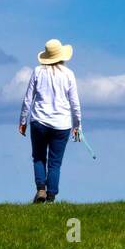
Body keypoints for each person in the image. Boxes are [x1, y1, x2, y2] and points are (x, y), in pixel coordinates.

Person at [18, 38, 82, 203]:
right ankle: (51, 197)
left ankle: (41, 189)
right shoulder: (68, 74)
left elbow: (28, 99)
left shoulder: (38, 71)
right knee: (55, 162)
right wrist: (77, 126)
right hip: (62, 125)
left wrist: (23, 121)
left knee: (39, 157)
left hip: (39, 121)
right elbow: (75, 103)